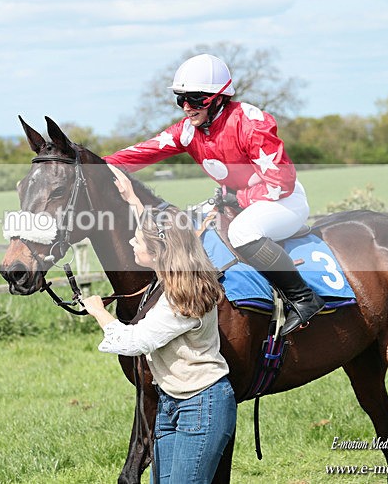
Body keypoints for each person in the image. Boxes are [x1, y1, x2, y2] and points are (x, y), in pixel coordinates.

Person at [105, 53, 324, 334]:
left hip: (282, 201)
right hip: (238, 201)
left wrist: (239, 198)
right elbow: (142, 152)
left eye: (195, 99)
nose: (186, 107)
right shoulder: (187, 131)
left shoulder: (250, 123)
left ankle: (303, 298)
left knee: (243, 232)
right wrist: (92, 165)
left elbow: (282, 181)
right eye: (181, 99)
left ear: (219, 97)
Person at [81, 164, 236, 483]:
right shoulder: (183, 270)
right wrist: (132, 199)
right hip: (172, 402)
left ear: (158, 252)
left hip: (201, 406)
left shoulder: (179, 299)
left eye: (138, 241)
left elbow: (134, 342)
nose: (132, 243)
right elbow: (165, 235)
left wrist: (99, 312)